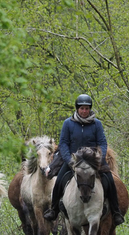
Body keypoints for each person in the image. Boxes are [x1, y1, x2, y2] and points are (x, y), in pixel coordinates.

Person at [44, 94, 124, 226]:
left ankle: (116, 212)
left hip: (94, 161)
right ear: (77, 109)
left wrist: (99, 157)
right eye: (82, 108)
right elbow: (63, 143)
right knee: (59, 181)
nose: (84, 111)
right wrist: (69, 160)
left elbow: (102, 143)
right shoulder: (68, 124)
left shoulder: (97, 124)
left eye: (87, 108)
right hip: (73, 161)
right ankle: (54, 210)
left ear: (90, 109)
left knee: (110, 180)